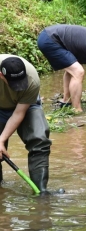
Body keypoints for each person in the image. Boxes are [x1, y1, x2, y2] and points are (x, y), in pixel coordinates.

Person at [0, 54, 51, 193]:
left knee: (39, 138)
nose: (18, 88)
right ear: (1, 75)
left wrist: (1, 139)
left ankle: (41, 191)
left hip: (25, 106)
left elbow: (18, 113)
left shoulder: (32, 79)